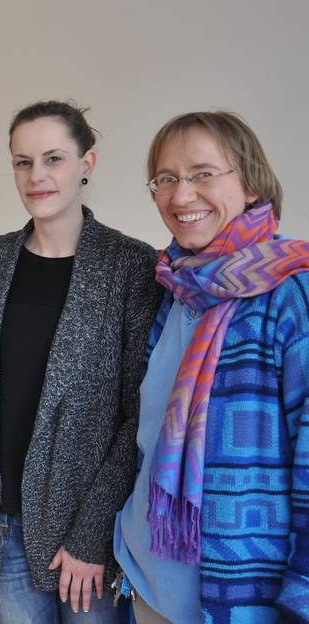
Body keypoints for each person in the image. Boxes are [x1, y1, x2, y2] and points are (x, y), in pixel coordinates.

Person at [0, 100, 162, 623]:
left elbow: (139, 416)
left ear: (86, 163)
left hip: (88, 529)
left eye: (53, 159)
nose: (37, 176)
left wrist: (92, 534)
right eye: (23, 162)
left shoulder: (131, 265)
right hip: (7, 523)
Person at [112, 112, 309, 623]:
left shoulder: (292, 298)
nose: (181, 197)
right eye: (167, 179)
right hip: (148, 584)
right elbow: (146, 436)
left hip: (243, 601)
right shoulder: (174, 292)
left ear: (250, 184)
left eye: (203, 173)